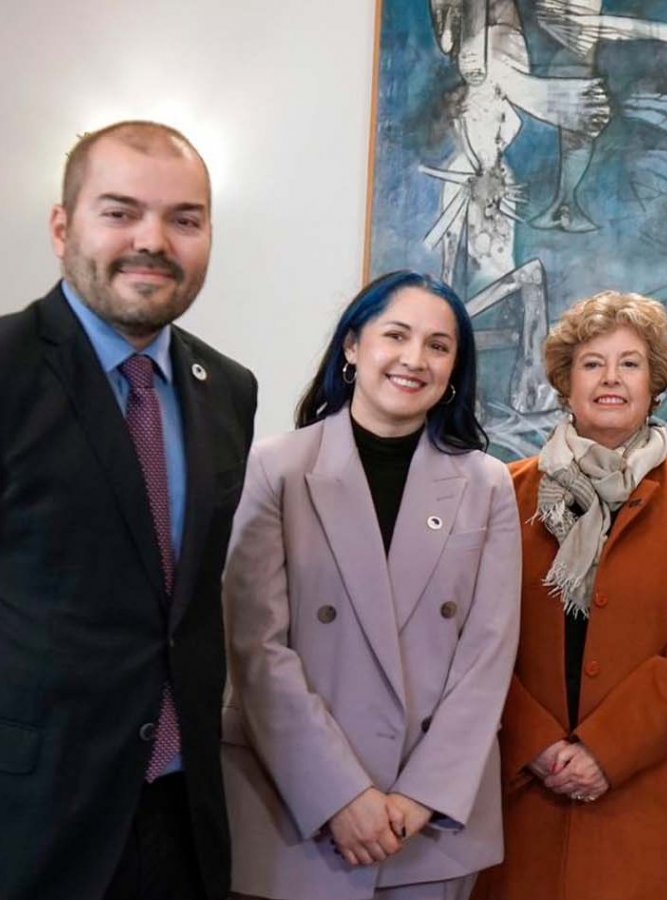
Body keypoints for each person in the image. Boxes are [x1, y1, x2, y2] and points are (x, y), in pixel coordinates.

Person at [0, 120, 257, 899]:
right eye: (120, 212)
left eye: (184, 219)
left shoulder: (227, 389)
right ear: (63, 227)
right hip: (18, 821)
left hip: (179, 819)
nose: (153, 241)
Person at [221, 271, 521, 900]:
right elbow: (256, 650)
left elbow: (487, 657)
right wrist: (339, 795)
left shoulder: (488, 483)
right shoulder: (278, 467)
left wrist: (420, 795)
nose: (415, 359)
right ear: (353, 347)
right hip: (297, 810)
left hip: (429, 826)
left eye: (439, 346)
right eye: (397, 335)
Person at [475, 291, 667, 900]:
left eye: (630, 363)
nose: (611, 379)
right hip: (523, 787)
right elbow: (474, 639)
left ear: (656, 383)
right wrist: (534, 744)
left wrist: (605, 749)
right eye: (593, 363)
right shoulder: (502, 491)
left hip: (646, 786)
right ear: (567, 383)